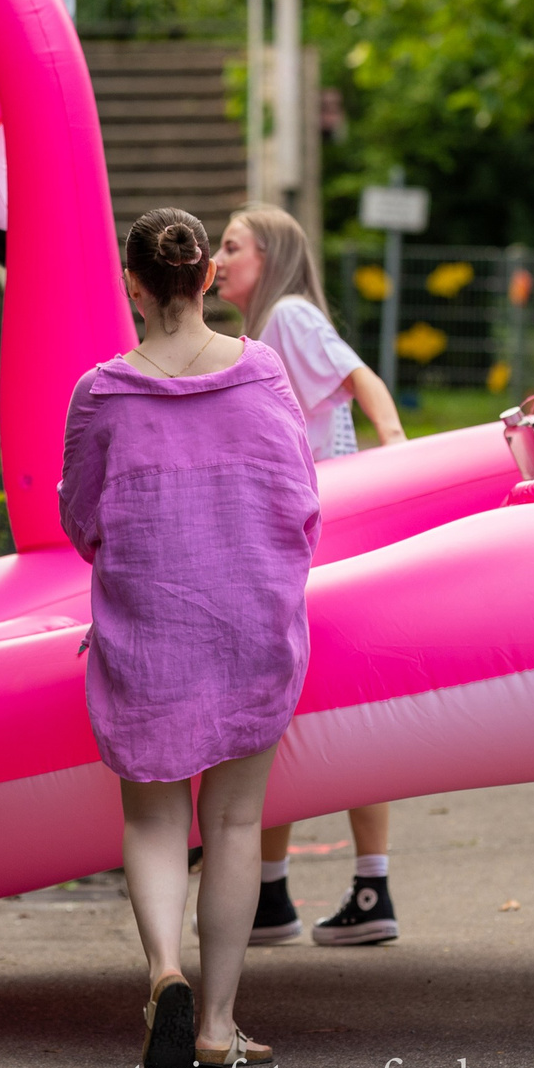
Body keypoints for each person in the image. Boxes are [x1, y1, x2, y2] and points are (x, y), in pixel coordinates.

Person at [60, 207, 321, 1068]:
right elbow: (301, 498)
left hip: (149, 625)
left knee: (155, 817)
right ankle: (216, 1022)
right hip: (251, 621)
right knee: (237, 820)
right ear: (208, 276)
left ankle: (163, 970)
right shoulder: (263, 373)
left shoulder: (101, 391)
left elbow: (79, 516)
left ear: (134, 283)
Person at [212, 204, 409, 947]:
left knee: (320, 704)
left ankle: (363, 883)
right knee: (299, 706)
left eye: (234, 246)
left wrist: (395, 459)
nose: (220, 257)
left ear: (272, 258)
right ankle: (281, 892)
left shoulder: (290, 316)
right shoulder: (255, 338)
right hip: (298, 537)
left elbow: (364, 382)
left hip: (326, 538)